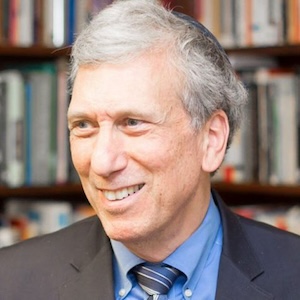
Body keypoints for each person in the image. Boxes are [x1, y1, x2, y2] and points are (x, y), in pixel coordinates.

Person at [1, 0, 300, 299]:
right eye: (84, 125)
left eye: (132, 123)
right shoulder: (11, 281)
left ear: (211, 139)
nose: (103, 162)